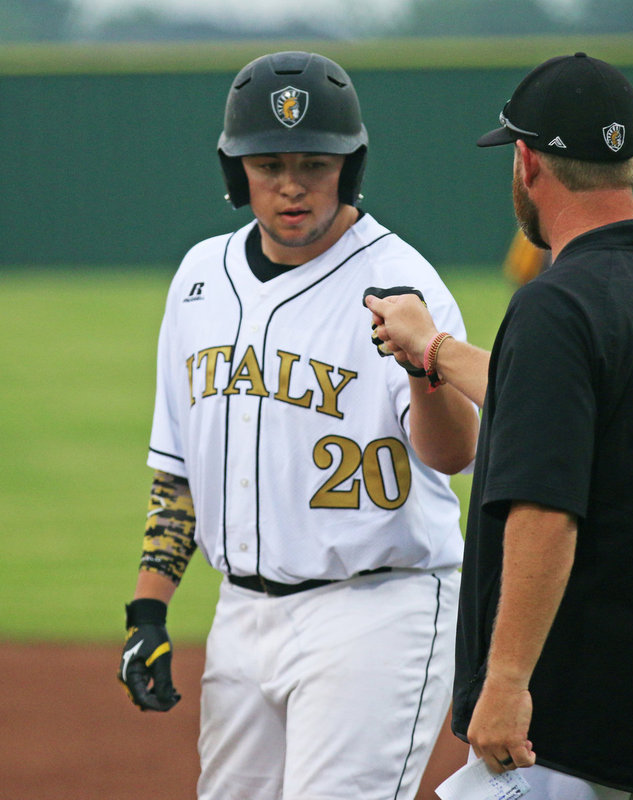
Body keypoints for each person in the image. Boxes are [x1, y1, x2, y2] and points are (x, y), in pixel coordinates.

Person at [365, 52, 633, 799]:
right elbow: (555, 402)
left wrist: (503, 682)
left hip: (570, 731)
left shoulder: (553, 307)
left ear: (527, 161)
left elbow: (546, 509)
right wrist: (433, 350)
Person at [117, 50, 480, 800]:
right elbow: (178, 470)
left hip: (378, 610)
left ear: (348, 168)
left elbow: (454, 454)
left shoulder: (400, 281)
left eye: (314, 163)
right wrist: (148, 608)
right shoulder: (198, 279)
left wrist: (420, 363)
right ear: (234, 171)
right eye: (267, 162)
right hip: (241, 617)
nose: (290, 184)